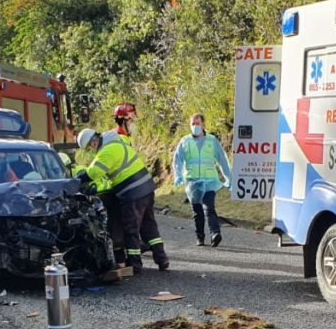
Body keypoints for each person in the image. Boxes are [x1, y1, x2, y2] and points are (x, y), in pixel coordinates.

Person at [77, 128, 168, 274]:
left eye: (89, 147)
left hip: (132, 192)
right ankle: (162, 258)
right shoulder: (118, 144)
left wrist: (82, 177)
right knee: (148, 225)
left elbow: (95, 172)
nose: (91, 150)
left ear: (93, 142)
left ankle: (134, 264)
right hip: (147, 188)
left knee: (130, 228)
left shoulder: (106, 151)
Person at [173, 113, 232, 247]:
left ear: (203, 124)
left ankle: (215, 234)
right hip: (193, 182)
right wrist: (177, 175)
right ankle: (200, 236)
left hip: (209, 181)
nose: (195, 126)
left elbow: (222, 159)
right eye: (193, 124)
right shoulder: (185, 141)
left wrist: (229, 177)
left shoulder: (212, 141)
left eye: (197, 123)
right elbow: (178, 160)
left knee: (209, 207)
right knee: (197, 211)